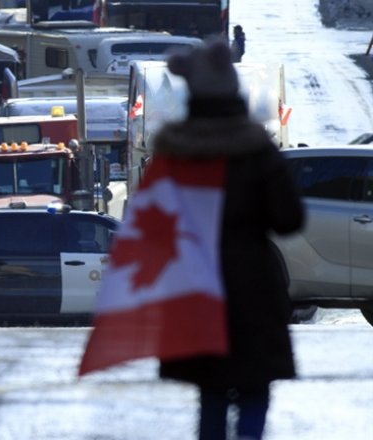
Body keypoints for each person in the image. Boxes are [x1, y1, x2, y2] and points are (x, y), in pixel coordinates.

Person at [154, 41, 305, 440]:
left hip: (196, 286)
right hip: (254, 285)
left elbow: (154, 225)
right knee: (254, 389)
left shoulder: (176, 153)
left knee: (212, 392)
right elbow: (289, 219)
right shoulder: (258, 151)